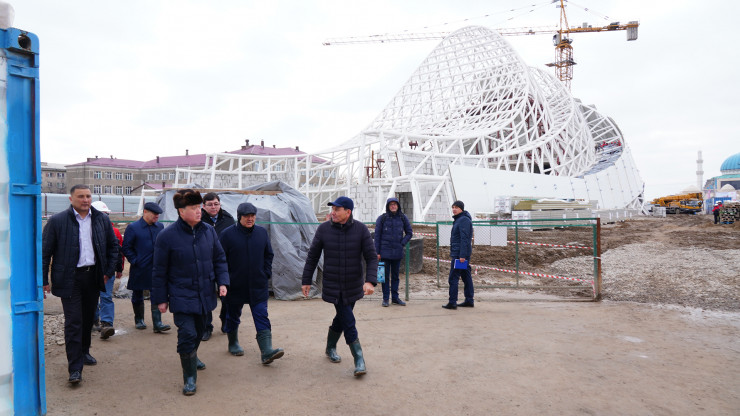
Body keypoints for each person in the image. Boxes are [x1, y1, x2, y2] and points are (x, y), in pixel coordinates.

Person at [152, 189, 229, 396]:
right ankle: (189, 378)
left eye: (199, 207)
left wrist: (222, 282)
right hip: (181, 294)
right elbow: (159, 270)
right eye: (193, 208)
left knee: (200, 330)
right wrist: (160, 299)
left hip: (205, 292)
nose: (198, 211)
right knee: (187, 333)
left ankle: (192, 356)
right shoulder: (166, 236)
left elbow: (219, 258)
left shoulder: (208, 231)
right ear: (181, 211)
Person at [42, 185, 120, 384]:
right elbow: (45, 252)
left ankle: (84, 352)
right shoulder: (57, 221)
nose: (85, 200)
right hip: (70, 278)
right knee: (74, 322)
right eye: (81, 196)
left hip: (93, 277)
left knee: (87, 319)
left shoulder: (101, 219)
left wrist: (108, 271)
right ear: (71, 199)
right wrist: (43, 280)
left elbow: (113, 247)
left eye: (88, 196)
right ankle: (75, 368)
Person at [301, 196, 378, 377]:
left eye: (337, 209)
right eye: (333, 209)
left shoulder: (361, 230)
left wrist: (370, 281)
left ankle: (330, 347)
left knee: (342, 318)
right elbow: (312, 256)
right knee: (348, 320)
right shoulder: (323, 229)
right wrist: (306, 280)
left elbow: (371, 257)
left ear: (348, 212)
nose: (333, 212)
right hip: (333, 285)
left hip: (353, 284)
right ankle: (359, 358)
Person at [219, 202, 284, 364]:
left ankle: (266, 351)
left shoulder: (261, 233)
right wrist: (224, 281)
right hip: (235, 285)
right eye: (247, 216)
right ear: (239, 216)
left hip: (258, 284)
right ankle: (233, 342)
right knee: (233, 315)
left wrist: (265, 273)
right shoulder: (227, 235)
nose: (250, 219)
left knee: (261, 315)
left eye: (253, 215)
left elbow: (269, 254)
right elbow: (220, 259)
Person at [120, 202, 170, 333]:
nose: (157, 216)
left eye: (158, 214)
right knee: (137, 293)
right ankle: (139, 320)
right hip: (140, 267)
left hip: (156, 267)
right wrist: (135, 261)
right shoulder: (133, 228)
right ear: (145, 212)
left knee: (157, 293)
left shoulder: (160, 227)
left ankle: (157, 323)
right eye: (154, 214)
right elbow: (126, 247)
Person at [200, 192, 236, 341]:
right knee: (205, 295)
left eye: (216, 204)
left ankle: (225, 319)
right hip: (204, 263)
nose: (213, 207)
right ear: (204, 206)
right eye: (210, 204)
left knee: (227, 294)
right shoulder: (198, 219)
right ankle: (206, 327)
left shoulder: (228, 219)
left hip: (224, 263)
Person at [90, 201, 124, 340]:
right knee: (92, 296)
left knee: (105, 297)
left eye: (107, 214)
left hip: (107, 271)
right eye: (103, 214)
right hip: (90, 270)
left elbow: (117, 252)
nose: (105, 217)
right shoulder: (86, 229)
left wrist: (118, 268)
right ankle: (93, 321)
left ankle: (106, 324)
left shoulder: (113, 231)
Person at [374, 197, 413, 307]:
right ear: (388, 206)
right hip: (384, 253)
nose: (393, 206)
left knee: (395, 276)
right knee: (383, 277)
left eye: (395, 204)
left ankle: (395, 298)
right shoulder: (382, 218)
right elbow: (377, 236)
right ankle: (385, 298)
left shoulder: (402, 218)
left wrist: (402, 243)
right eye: (391, 204)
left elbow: (409, 233)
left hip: (397, 253)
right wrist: (377, 252)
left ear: (398, 206)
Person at [443, 200, 475, 310]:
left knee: (453, 277)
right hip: (460, 253)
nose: (454, 209)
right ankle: (469, 300)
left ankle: (452, 302)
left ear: (461, 208)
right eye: (453, 207)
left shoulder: (463, 220)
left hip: (459, 255)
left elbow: (465, 239)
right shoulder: (459, 219)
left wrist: (462, 255)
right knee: (466, 276)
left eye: (456, 207)